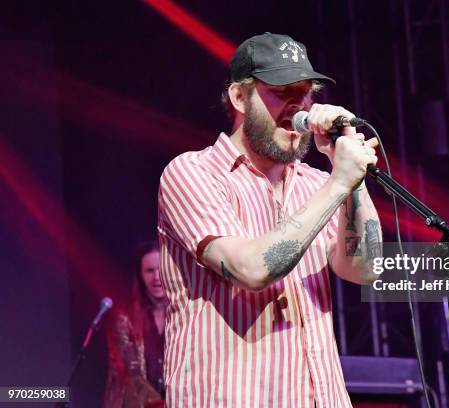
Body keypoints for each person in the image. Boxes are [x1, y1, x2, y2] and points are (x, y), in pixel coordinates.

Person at [157, 32, 382, 407]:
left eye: (306, 93)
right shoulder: (193, 173)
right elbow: (252, 269)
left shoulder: (318, 184)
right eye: (282, 92)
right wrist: (339, 182)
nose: (299, 108)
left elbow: (366, 268)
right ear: (239, 97)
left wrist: (352, 178)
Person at [104, 241, 166, 408]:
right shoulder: (126, 319)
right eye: (149, 271)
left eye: (161, 269)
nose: (156, 277)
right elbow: (131, 374)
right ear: (140, 275)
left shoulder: (184, 315)